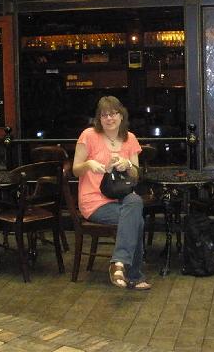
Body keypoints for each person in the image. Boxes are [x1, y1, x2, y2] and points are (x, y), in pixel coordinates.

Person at [72, 96, 150, 290]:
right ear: (99, 118)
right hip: (94, 202)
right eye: (104, 115)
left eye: (113, 113)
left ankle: (119, 265)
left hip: (121, 198)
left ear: (121, 115)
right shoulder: (88, 135)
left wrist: (128, 165)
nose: (109, 118)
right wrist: (89, 164)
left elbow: (136, 174)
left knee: (134, 201)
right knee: (137, 220)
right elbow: (75, 169)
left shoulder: (130, 138)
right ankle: (133, 275)